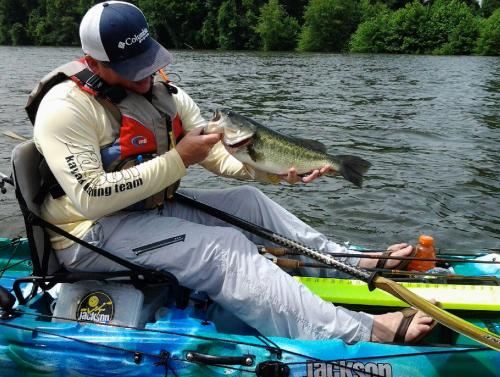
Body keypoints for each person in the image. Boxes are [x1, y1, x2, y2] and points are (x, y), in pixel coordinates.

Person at [30, 1, 434, 344]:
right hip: (85, 234)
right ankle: (360, 331)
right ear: (95, 63)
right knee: (220, 248)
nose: (145, 74)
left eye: (147, 61)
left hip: (142, 212)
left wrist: (274, 174)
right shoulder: (65, 108)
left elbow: (219, 156)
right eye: (132, 67)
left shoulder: (163, 95)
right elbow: (89, 197)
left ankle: (346, 260)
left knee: (249, 202)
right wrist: (179, 159)